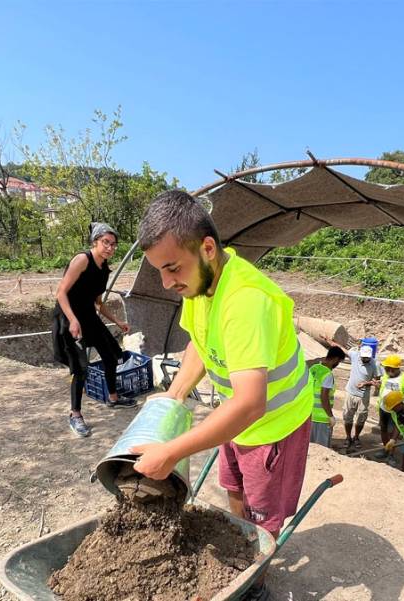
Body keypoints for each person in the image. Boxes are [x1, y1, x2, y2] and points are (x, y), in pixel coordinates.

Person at [129, 190, 312, 599]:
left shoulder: (245, 300)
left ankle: (255, 584)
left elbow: (251, 403)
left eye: (172, 267)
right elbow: (199, 343)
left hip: (272, 426)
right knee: (234, 489)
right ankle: (243, 551)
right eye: (159, 270)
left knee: (263, 515)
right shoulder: (201, 286)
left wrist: (173, 451)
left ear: (208, 248)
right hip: (236, 419)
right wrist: (175, 395)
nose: (166, 282)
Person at [51, 222, 133, 438]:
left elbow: (98, 303)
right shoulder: (82, 260)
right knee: (80, 369)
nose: (110, 248)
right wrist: (72, 321)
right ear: (95, 242)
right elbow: (61, 293)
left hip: (88, 316)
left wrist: (117, 321)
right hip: (68, 316)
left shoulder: (104, 269)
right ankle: (75, 414)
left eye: (114, 244)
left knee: (111, 354)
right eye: (106, 242)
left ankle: (113, 398)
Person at [377, 355, 404, 457]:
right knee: (383, 430)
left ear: (394, 368)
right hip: (384, 408)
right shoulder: (385, 376)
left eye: (387, 367)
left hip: (396, 410)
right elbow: (384, 387)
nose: (385, 369)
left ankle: (391, 455)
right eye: (385, 368)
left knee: (393, 433)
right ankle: (385, 450)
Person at [342, 345, 381, 450]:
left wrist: (366, 383)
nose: (365, 359)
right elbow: (343, 349)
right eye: (363, 357)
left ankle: (356, 437)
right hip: (350, 393)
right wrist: (329, 341)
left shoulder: (375, 364)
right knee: (347, 416)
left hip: (363, 396)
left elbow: (378, 382)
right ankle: (348, 437)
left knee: (361, 418)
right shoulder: (355, 356)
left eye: (367, 358)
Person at [310, 346, 346, 448]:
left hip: (308, 415)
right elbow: (324, 396)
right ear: (335, 359)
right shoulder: (327, 374)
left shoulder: (313, 368)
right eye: (338, 362)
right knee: (321, 449)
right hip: (321, 418)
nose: (337, 364)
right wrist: (330, 416)